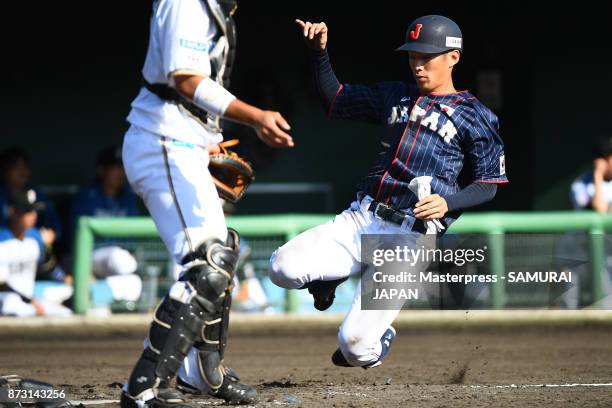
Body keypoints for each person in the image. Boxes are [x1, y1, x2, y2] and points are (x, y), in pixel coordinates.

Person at [270, 15, 508, 369]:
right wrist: (319, 54)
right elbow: (335, 100)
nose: (418, 64)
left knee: (354, 347)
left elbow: (489, 183)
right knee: (282, 267)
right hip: (362, 218)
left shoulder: (475, 115)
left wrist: (449, 202)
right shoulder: (396, 94)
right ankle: (332, 276)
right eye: (413, 56)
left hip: (409, 238)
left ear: (453, 57)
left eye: (427, 56)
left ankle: (379, 338)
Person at [120, 1, 293, 406]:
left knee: (222, 258)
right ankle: (145, 384)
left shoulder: (218, 8)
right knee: (207, 264)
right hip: (161, 139)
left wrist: (207, 136)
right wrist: (255, 117)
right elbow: (184, 80)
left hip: (183, 140)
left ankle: (201, 374)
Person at [67, 146, 142, 314]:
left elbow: (135, 240)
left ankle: (94, 293)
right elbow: (74, 238)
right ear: (101, 170)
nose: (120, 172)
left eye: (121, 167)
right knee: (119, 257)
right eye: (115, 167)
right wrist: (82, 271)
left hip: (121, 263)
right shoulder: (86, 196)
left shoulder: (128, 197)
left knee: (133, 284)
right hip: (90, 258)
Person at [0, 190, 72, 317]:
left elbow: (46, 266)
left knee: (65, 312)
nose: (33, 216)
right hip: (6, 298)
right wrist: (30, 301)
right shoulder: (2, 240)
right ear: (12, 212)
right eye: (27, 212)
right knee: (12, 307)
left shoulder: (34, 239)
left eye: (33, 211)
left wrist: (62, 277)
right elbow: (2, 284)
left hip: (29, 298)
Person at [0, 146, 62, 249]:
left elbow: (54, 230)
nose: (22, 171)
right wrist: (35, 236)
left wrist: (47, 235)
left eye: (25, 167)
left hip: (33, 249)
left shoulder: (38, 194)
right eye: (16, 167)